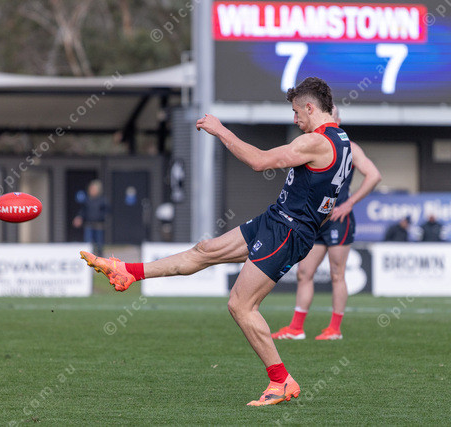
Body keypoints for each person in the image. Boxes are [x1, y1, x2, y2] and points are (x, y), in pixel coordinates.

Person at [81, 77, 353, 406]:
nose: (294, 119)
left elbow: (259, 161)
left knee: (240, 304)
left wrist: (220, 130)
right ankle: (129, 272)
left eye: (296, 112)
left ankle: (281, 381)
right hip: (278, 220)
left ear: (310, 108)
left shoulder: (316, 142)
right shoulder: (342, 139)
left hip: (287, 229)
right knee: (205, 250)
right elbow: (328, 203)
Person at [271, 106, 381, 341]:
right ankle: (296, 328)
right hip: (317, 219)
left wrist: (349, 204)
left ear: (337, 119)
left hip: (338, 218)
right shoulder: (314, 144)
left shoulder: (350, 147)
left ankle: (334, 329)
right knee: (304, 272)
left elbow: (374, 175)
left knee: (337, 274)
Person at [72, 180, 109, 255]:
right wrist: (79, 217)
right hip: (89, 225)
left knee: (99, 244)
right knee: (88, 243)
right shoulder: (87, 200)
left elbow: (106, 211)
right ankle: (89, 257)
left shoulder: (102, 200)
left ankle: (99, 257)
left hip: (98, 225)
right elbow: (83, 211)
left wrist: (101, 217)